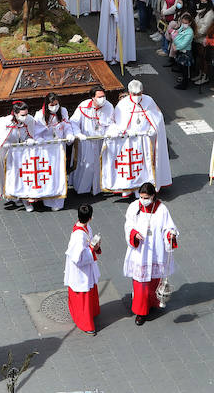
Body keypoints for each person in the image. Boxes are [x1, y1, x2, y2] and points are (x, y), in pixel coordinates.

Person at [123, 183, 178, 325]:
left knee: (154, 282)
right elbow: (128, 225)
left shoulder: (162, 210)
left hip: (155, 252)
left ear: (153, 196)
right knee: (140, 285)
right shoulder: (134, 207)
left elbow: (168, 227)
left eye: (146, 197)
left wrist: (170, 235)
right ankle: (140, 313)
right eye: (141, 197)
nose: (143, 200)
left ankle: (153, 303)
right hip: (140, 252)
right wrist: (134, 234)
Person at [64, 204, 102, 335]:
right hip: (80, 270)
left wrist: (94, 245)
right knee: (83, 293)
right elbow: (78, 258)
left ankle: (91, 313)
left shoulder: (85, 227)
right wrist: (93, 249)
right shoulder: (78, 235)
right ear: (90, 217)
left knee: (89, 289)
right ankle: (86, 323)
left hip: (87, 267)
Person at [69, 87, 116, 195]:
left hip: (102, 141)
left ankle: (99, 187)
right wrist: (78, 134)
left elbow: (112, 123)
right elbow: (74, 122)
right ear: (92, 98)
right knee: (87, 164)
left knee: (101, 164)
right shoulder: (84, 106)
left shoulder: (108, 106)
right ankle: (83, 188)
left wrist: (110, 132)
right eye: (99, 97)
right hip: (87, 141)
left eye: (103, 96)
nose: (102, 99)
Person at [99, 0, 138, 64]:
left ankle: (121, 56)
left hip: (124, 14)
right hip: (112, 15)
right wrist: (114, 12)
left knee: (122, 33)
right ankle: (111, 55)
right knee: (112, 34)